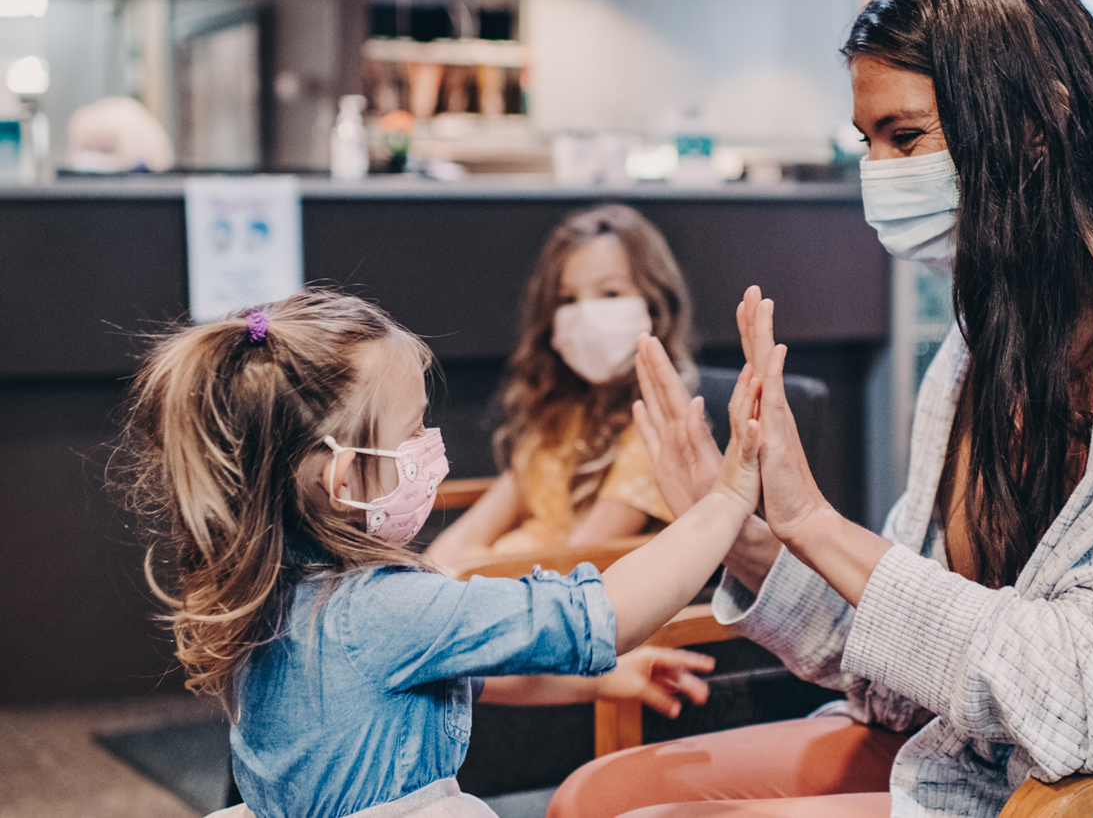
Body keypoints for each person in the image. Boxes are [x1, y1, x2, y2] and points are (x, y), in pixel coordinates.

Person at [546, 0, 1093, 816]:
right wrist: (744, 539)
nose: (877, 175)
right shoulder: (979, 348)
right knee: (596, 796)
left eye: (905, 138)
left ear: (1035, 126)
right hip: (980, 754)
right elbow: (895, 668)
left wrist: (815, 523)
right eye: (867, 143)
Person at [116, 289, 765, 818]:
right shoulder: (386, 608)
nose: (432, 442)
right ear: (343, 480)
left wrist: (599, 678)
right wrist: (724, 502)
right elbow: (605, 614)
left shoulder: (268, 592)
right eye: (413, 429)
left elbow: (455, 676)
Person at [425, 205, 696, 567]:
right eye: (568, 300)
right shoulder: (561, 411)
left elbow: (575, 563)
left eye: (610, 293)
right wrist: (432, 576)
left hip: (537, 597)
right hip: (491, 581)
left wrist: (460, 582)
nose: (586, 315)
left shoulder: (657, 427)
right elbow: (473, 530)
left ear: (656, 304)